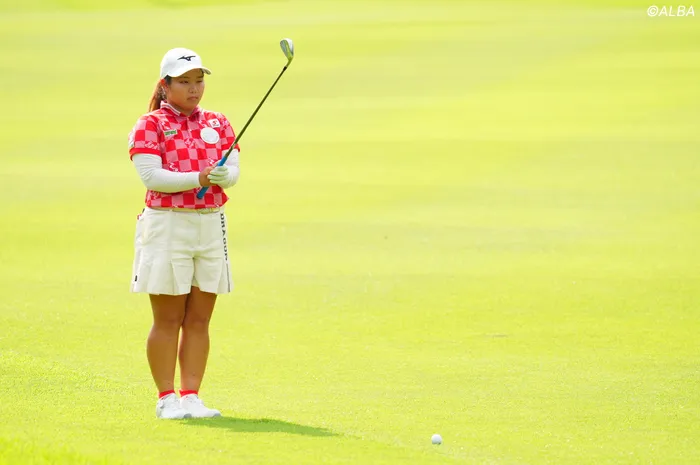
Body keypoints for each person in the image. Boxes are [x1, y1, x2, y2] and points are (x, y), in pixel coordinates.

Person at [127, 47, 240, 420]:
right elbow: (152, 177)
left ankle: (191, 396)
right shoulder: (151, 124)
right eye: (185, 82)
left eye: (199, 81)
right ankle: (166, 399)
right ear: (166, 85)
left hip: (210, 222)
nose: (194, 89)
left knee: (199, 319)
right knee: (168, 318)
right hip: (168, 223)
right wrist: (199, 178)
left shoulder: (218, 122)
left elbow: (233, 169)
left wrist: (224, 175)